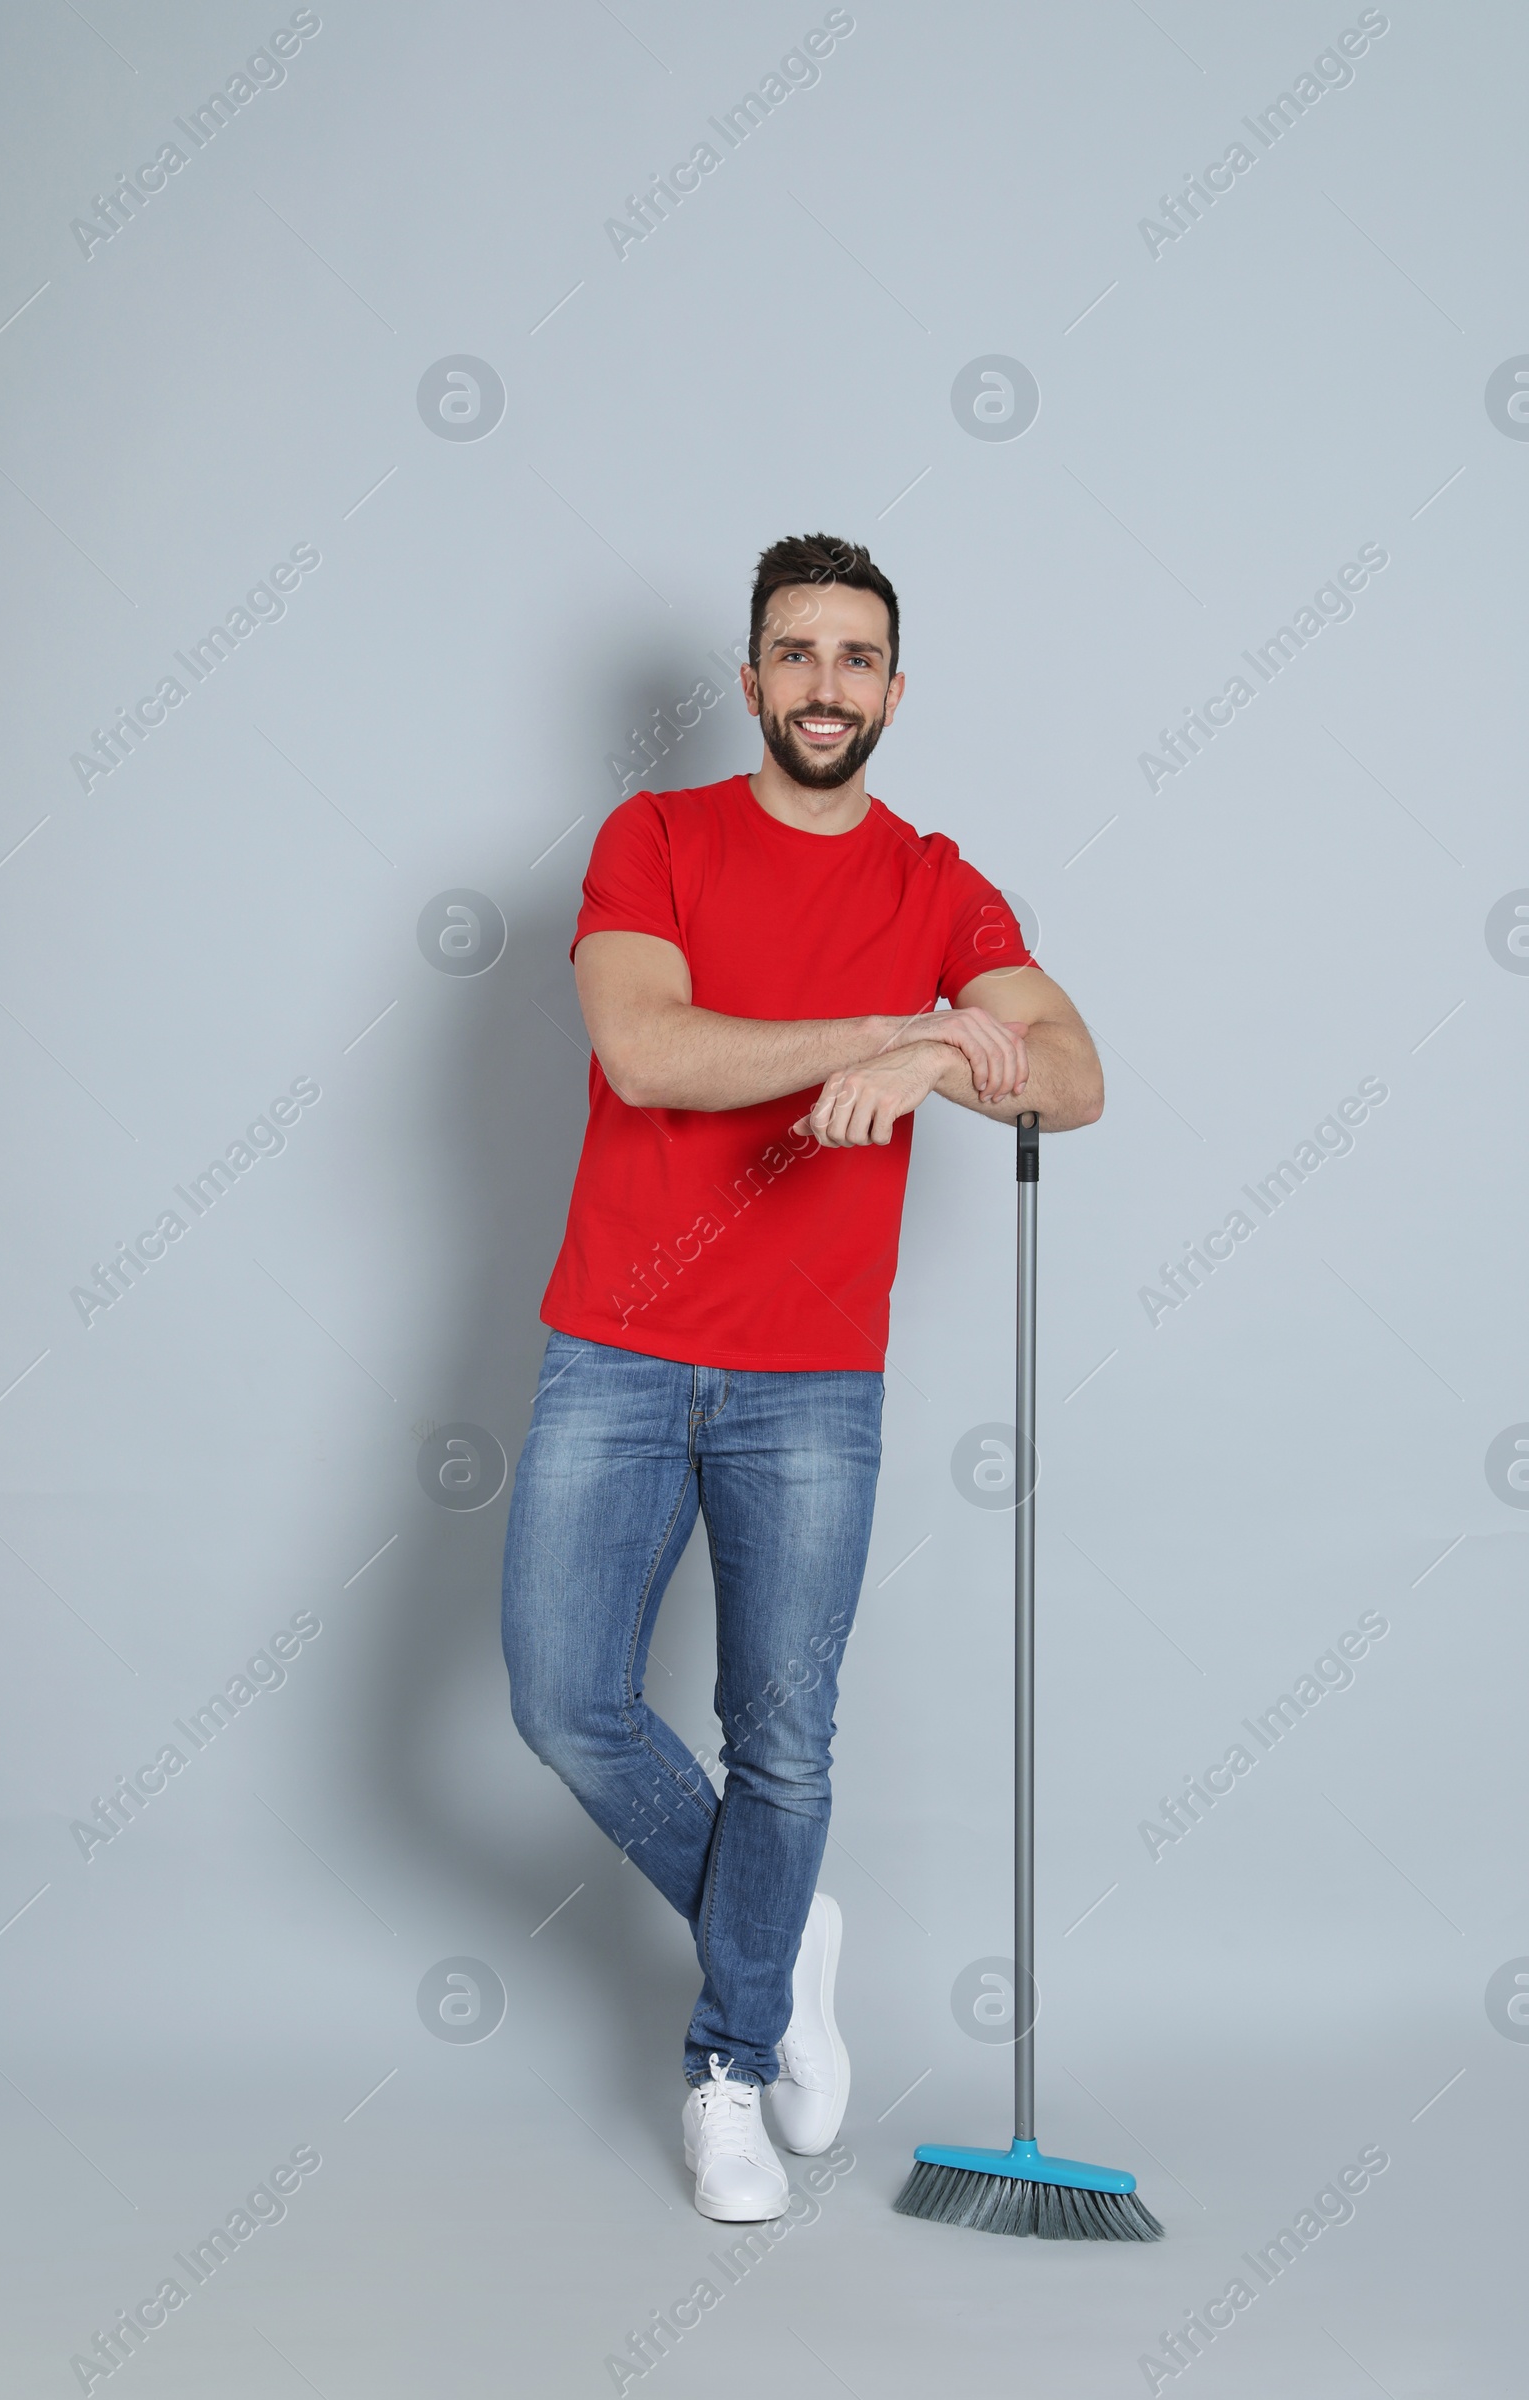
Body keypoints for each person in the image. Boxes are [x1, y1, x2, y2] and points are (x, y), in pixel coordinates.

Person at [502, 532, 1102, 2223]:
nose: (825, 684)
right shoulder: (658, 838)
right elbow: (648, 1048)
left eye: (856, 658)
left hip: (810, 1381)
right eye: (796, 652)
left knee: (782, 1746)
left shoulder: (933, 882)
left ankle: (726, 2064)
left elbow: (1072, 1068)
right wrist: (890, 1038)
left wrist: (944, 1044)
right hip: (616, 1343)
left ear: (893, 691)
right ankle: (780, 1921)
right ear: (751, 675)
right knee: (564, 1701)